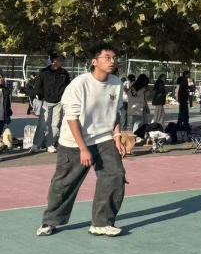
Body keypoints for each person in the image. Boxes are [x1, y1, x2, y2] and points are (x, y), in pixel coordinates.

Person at [36, 43, 128, 237]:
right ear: (94, 62)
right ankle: (50, 221)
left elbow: (116, 113)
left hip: (103, 139)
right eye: (107, 58)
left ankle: (101, 223)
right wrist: (83, 148)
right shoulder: (80, 84)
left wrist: (117, 136)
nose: (112, 61)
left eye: (114, 58)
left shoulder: (116, 83)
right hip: (74, 142)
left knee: (115, 175)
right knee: (65, 184)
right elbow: (71, 118)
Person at [30, 52, 71, 153]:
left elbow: (68, 87)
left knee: (55, 124)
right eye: (60, 59)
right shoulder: (43, 72)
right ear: (54, 61)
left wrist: (64, 98)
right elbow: (38, 86)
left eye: (62, 59)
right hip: (45, 101)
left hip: (58, 102)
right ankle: (36, 145)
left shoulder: (64, 73)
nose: (62, 61)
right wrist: (40, 96)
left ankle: (50, 144)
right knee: (42, 124)